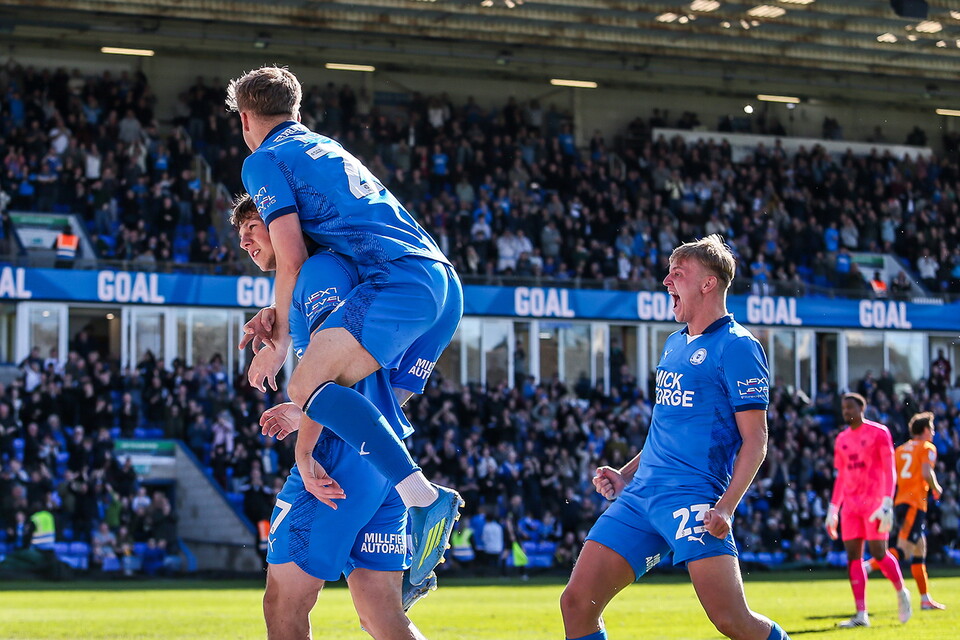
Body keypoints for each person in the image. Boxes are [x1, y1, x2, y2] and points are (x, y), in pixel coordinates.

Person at [226, 66, 462, 585]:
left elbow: (291, 257)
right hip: (442, 284)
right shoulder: (325, 147)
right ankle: (410, 557)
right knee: (372, 397)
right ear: (296, 111)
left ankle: (424, 499)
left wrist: (278, 343)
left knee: (304, 382)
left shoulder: (263, 160)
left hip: (397, 278)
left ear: (245, 119)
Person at [559, 235, 790, 640]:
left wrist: (726, 507)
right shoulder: (673, 343)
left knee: (732, 620)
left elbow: (756, 439)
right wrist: (627, 474)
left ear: (708, 283)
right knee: (577, 603)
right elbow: (664, 427)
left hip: (691, 498)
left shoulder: (738, 346)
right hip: (640, 496)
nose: (666, 281)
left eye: (678, 273)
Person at [232, 194, 436, 639]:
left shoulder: (320, 273)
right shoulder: (353, 271)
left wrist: (305, 452)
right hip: (380, 459)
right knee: (381, 615)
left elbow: (327, 376)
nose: (244, 241)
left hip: (337, 461)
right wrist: (303, 408)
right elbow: (358, 376)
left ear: (285, 224)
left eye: (252, 226)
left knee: (283, 605)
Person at [826, 393, 911, 627]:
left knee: (879, 553)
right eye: (843, 407)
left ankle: (902, 592)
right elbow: (842, 475)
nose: (846, 411)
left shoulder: (879, 433)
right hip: (850, 506)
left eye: (850, 407)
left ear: (862, 408)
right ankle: (861, 614)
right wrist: (833, 508)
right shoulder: (841, 439)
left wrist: (887, 502)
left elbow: (889, 468)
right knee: (853, 556)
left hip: (874, 503)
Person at [865, 411, 945, 610]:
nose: (933, 433)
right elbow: (926, 472)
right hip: (914, 504)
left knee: (919, 548)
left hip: (901, 501)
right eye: (931, 429)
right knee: (903, 550)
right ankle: (867, 567)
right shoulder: (927, 447)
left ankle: (925, 598)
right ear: (924, 430)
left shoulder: (900, 450)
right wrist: (936, 488)